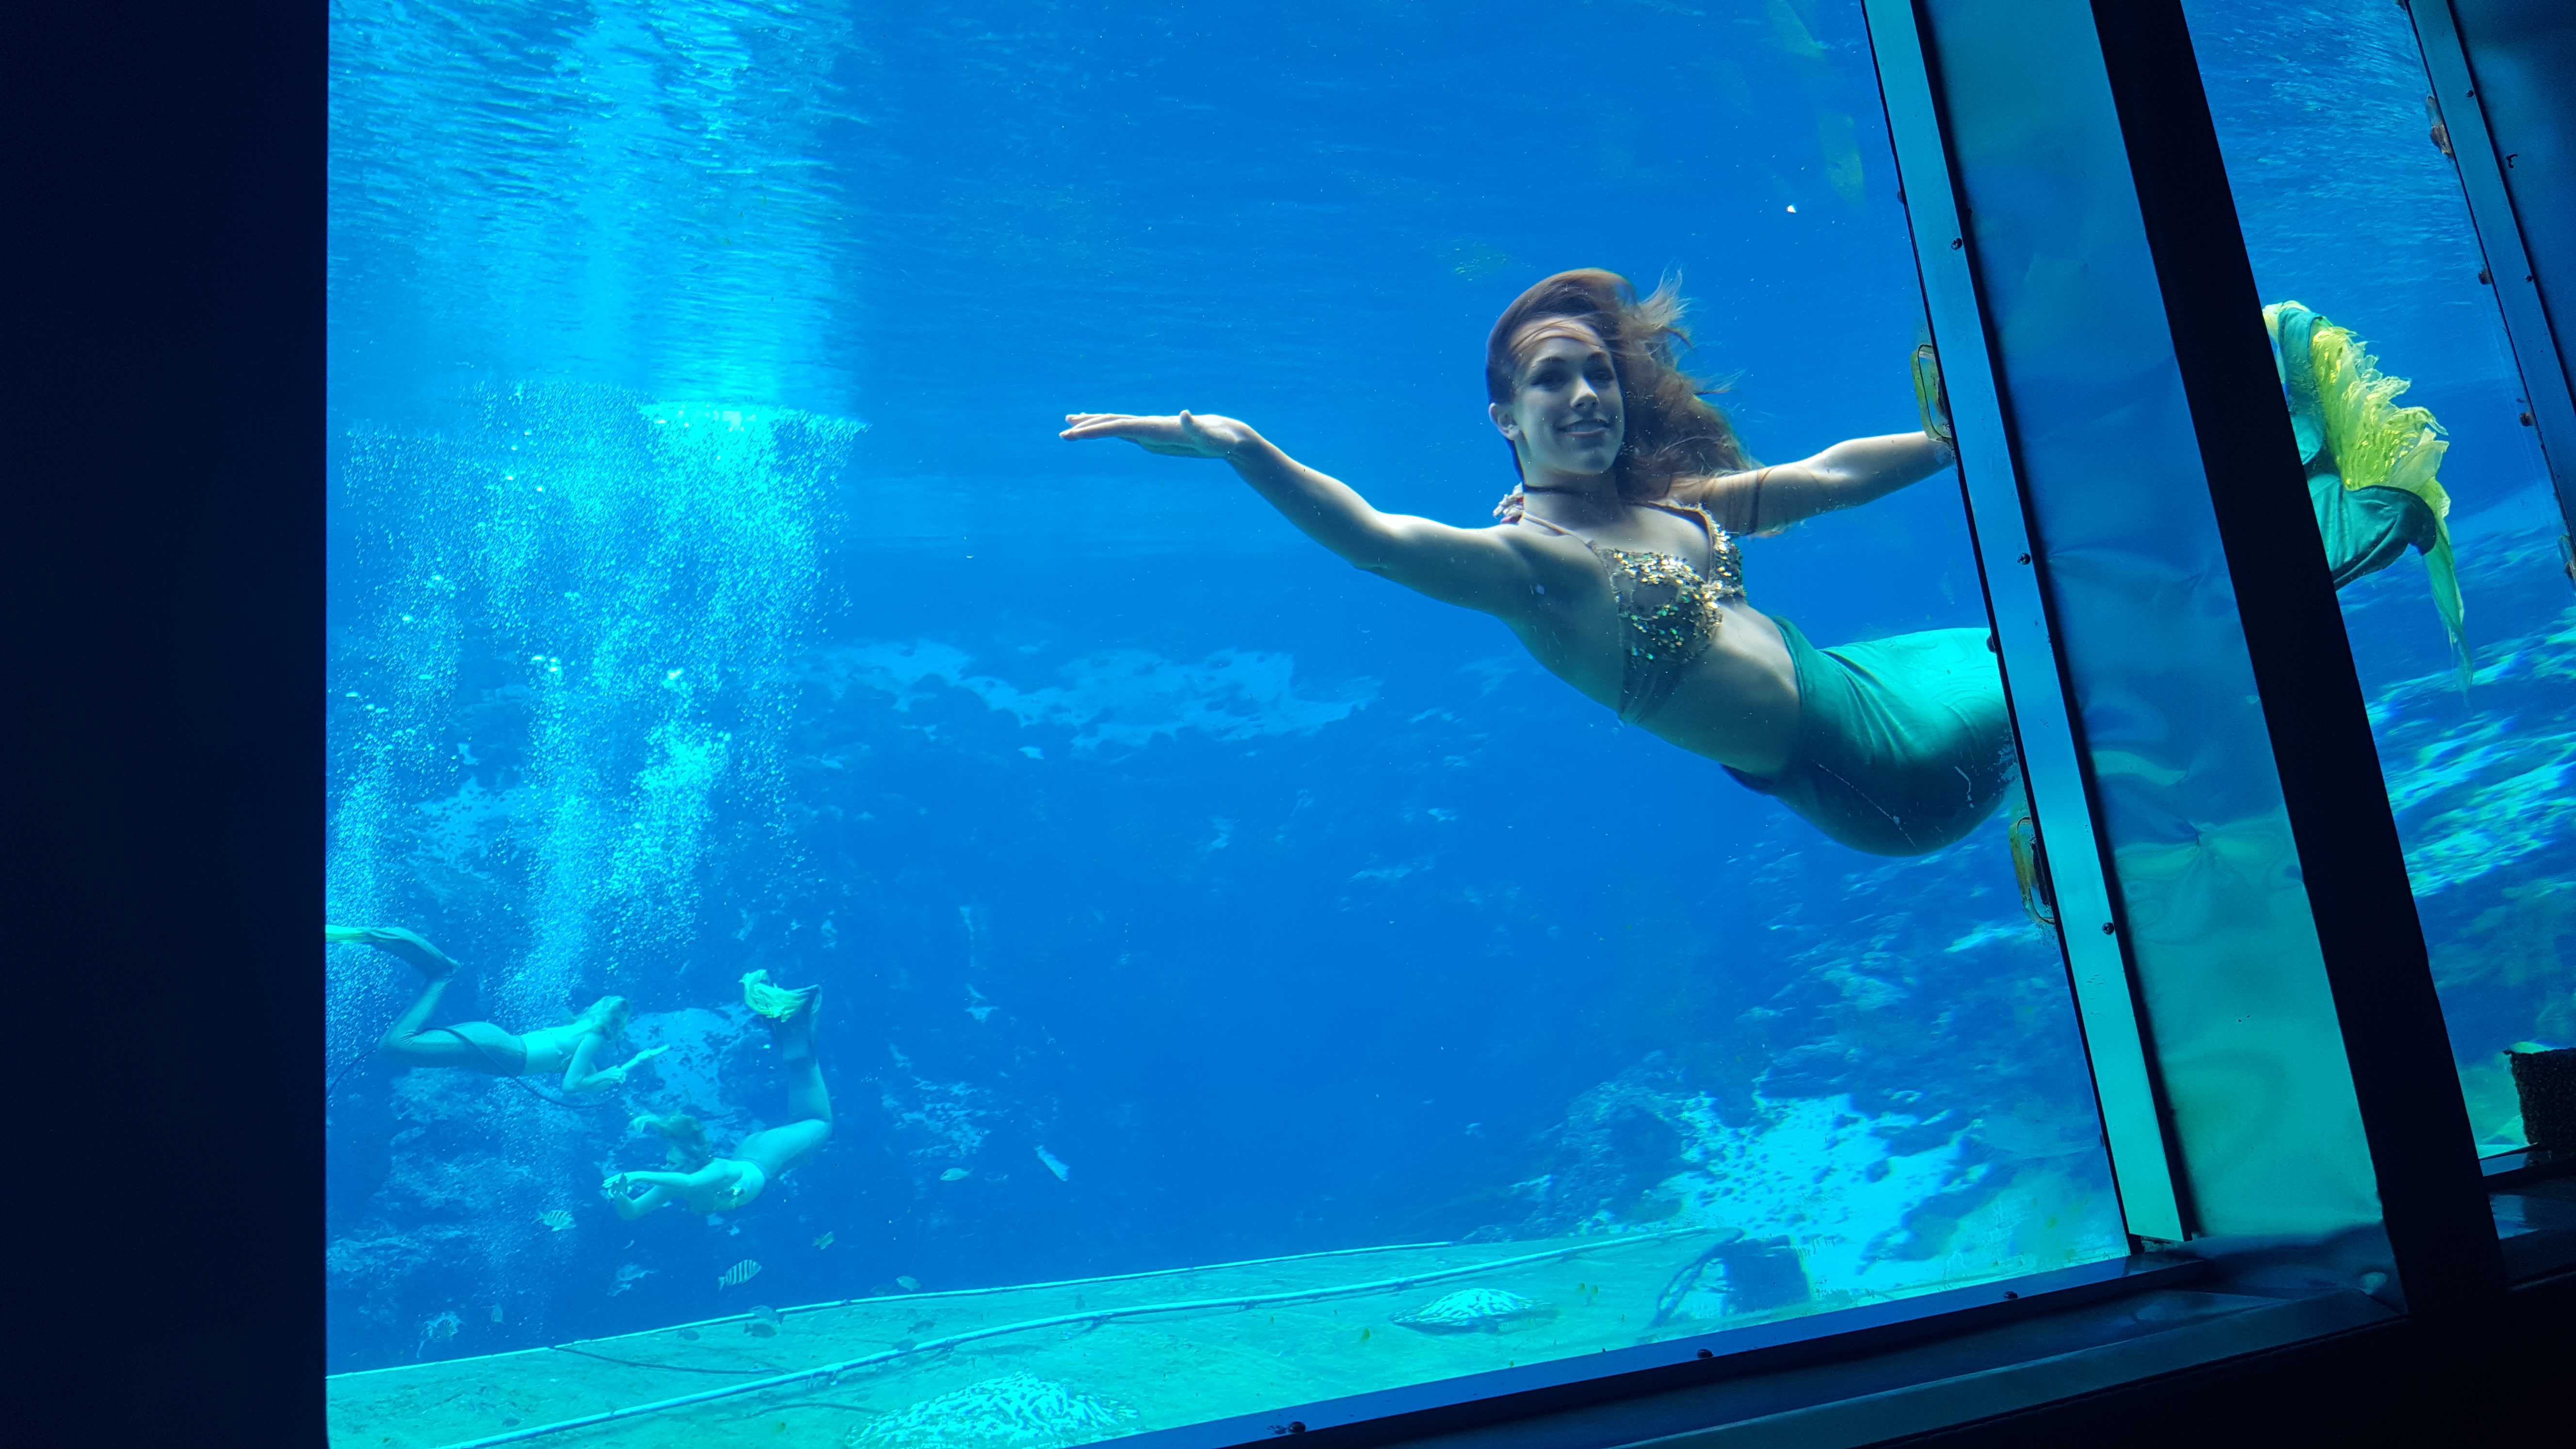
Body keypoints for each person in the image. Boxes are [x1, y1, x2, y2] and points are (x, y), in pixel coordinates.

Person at [1063, 271, 2462, 856]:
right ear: (1503, 415)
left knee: (2064, 613)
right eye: (1553, 385)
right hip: (1870, 774)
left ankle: (2261, 498)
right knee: (2096, 636)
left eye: (1597, 377)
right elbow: (1369, 535)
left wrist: (1962, 432)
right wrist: (1240, 446)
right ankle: (2334, 535)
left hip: (1866, 679)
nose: (1586, 399)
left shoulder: (1662, 506)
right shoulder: (1529, 571)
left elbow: (1824, 480)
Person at [601, 971, 830, 1217]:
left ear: (694, 1160)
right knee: (807, 1152)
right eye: (669, 1163)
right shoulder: (675, 1182)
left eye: (673, 1164)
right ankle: (785, 1027)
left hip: (764, 1152)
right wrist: (620, 1194)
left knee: (820, 1122)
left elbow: (691, 1184)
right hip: (763, 1169)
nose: (666, 1167)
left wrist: (635, 1176)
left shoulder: (716, 1169)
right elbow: (632, 1213)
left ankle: (797, 1018)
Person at [333, 924, 665, 1091]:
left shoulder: (580, 1032)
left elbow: (582, 1075)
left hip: (496, 1044)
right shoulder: (595, 1037)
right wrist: (610, 1073)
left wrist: (618, 1070)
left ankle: (394, 945)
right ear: (615, 1025)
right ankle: (442, 972)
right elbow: (571, 1086)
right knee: (395, 1046)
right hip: (499, 1050)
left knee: (398, 1044)